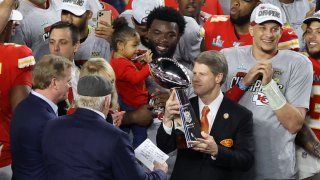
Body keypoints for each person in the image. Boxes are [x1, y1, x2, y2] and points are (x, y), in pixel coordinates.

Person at [221, 4, 313, 179]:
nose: (269, 35)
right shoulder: (228, 56)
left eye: (274, 29)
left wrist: (269, 85)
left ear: (281, 31)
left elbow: (294, 124)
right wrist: (244, 83)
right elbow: (213, 109)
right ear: (251, 30)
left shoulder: (298, 64)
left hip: (275, 169)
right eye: (262, 28)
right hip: (231, 165)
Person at [42, 75, 168, 180]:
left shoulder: (52, 125)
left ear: (77, 99)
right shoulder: (115, 137)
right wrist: (160, 172)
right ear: (107, 101)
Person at [156, 50, 254, 180]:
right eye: (194, 73)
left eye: (202, 74)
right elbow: (164, 147)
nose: (195, 79)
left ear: (218, 77)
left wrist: (216, 151)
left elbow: (246, 161)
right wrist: (167, 118)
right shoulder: (183, 106)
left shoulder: (241, 115)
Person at [10, 54, 73, 180]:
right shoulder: (48, 121)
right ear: (54, 83)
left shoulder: (23, 106)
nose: (70, 86)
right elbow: (61, 165)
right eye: (68, 81)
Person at [0, 5, 35, 180]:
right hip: (6, 157)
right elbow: (23, 116)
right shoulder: (17, 54)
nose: (15, 25)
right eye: (11, 21)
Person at [110, 17, 153, 148]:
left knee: (124, 132)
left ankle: (125, 151)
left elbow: (131, 74)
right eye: (134, 45)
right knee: (140, 134)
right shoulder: (120, 64)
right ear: (120, 45)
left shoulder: (120, 60)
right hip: (133, 105)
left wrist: (141, 65)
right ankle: (139, 159)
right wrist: (149, 67)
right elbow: (135, 78)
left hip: (128, 102)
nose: (137, 49)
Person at [201, 0, 300, 52]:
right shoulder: (212, 24)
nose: (236, 3)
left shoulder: (281, 34)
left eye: (246, 0)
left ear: (258, 5)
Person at [294, 11, 320, 179]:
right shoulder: (299, 63)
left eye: (319, 32)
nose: (312, 36)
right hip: (306, 155)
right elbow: (294, 121)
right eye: (309, 31)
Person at [60, 0, 112, 66]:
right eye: (64, 12)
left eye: (75, 14)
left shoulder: (104, 39)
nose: (68, 19)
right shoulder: (54, 40)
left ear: (89, 14)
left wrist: (115, 40)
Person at [80, 58, 125, 127]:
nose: (111, 88)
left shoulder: (112, 102)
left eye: (111, 82)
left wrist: (114, 121)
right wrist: (107, 122)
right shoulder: (77, 114)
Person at [48, 21, 80, 115]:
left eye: (62, 42)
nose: (55, 48)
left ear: (76, 46)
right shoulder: (41, 79)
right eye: (52, 42)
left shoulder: (86, 73)